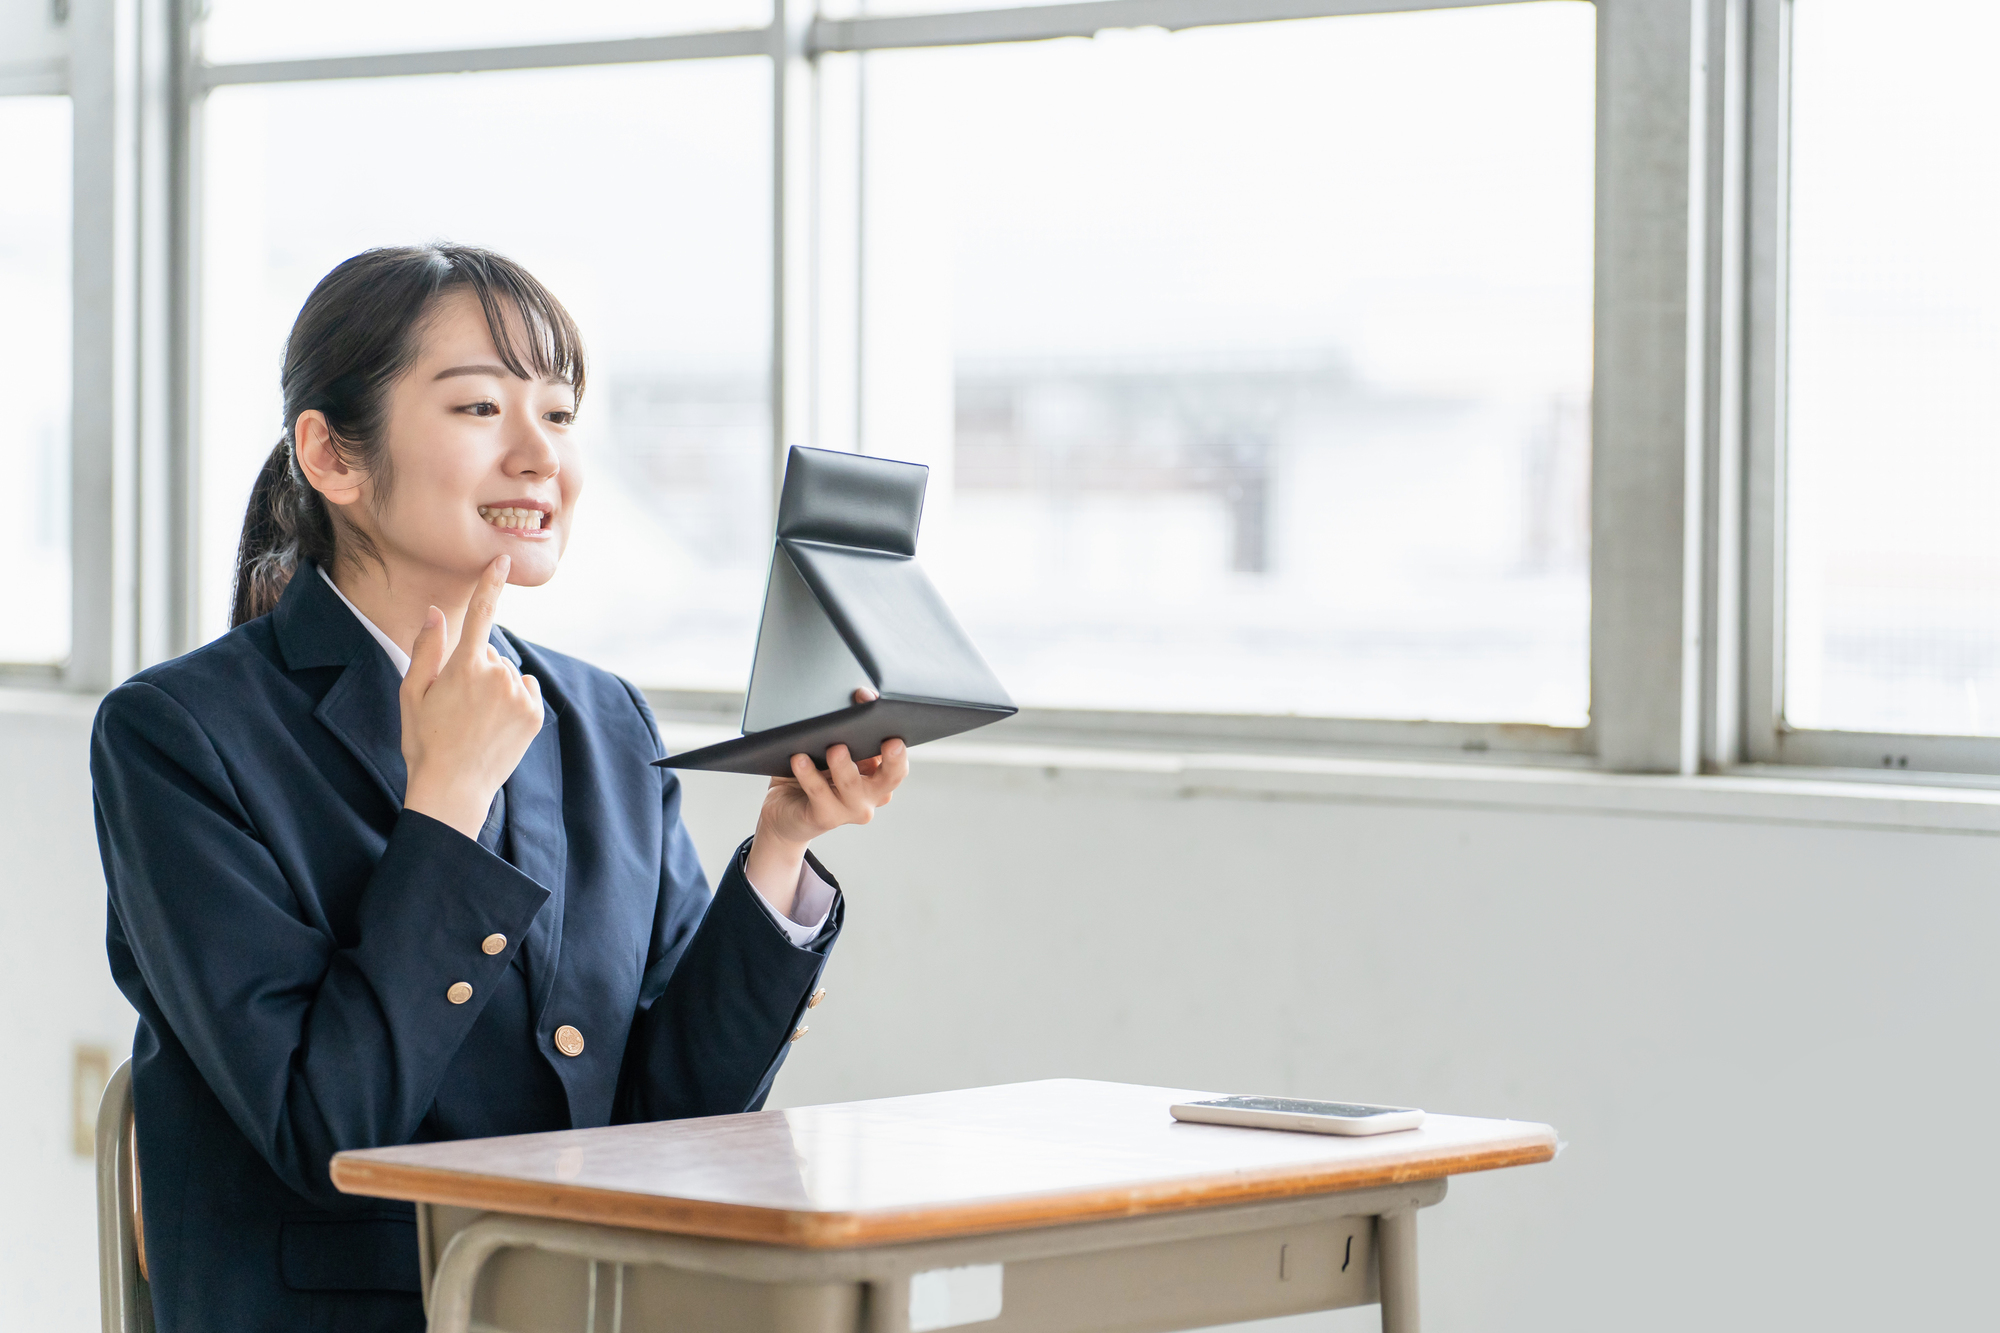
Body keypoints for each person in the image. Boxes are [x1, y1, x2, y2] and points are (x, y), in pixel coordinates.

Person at [90, 244, 908, 1333]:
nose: (539, 455)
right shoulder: (177, 735)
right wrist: (446, 803)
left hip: (595, 1304)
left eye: (561, 416)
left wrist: (777, 851)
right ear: (331, 455)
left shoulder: (602, 718)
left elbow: (675, 1121)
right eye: (480, 407)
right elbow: (325, 1126)